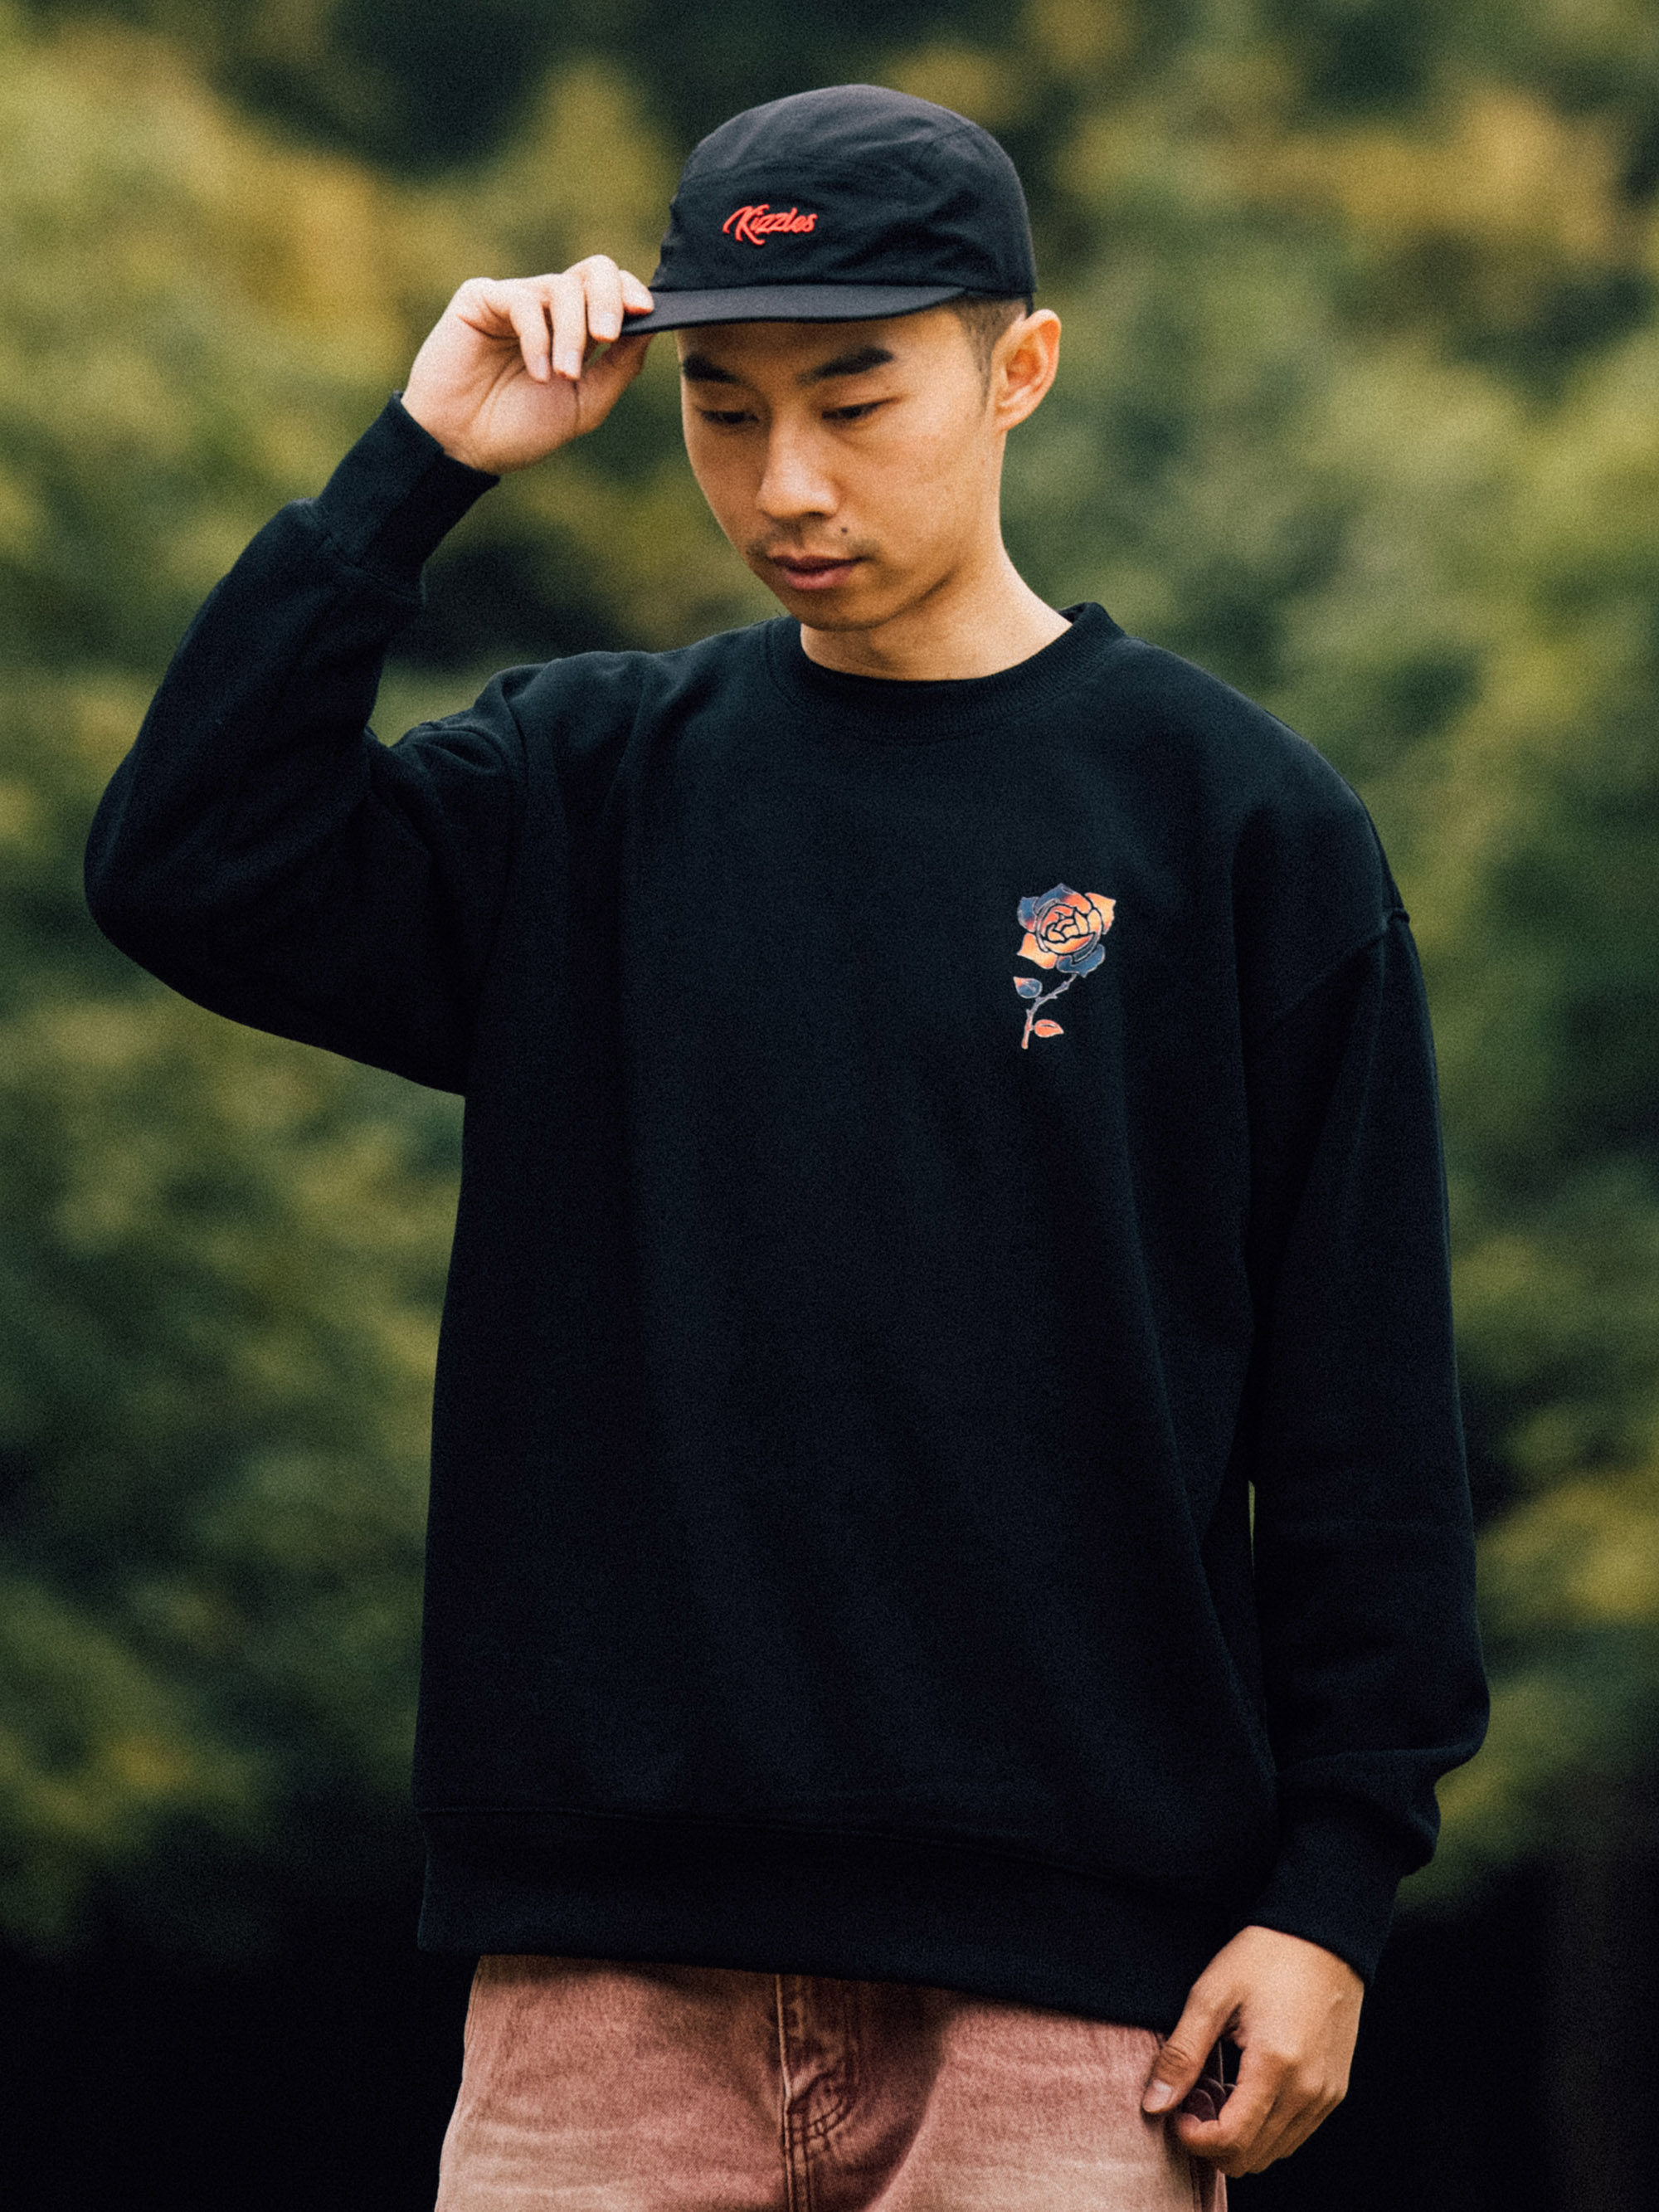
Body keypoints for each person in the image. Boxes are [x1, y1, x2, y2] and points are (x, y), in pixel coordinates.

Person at [84, 82, 1488, 2211]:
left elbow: (1362, 1404)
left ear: (1018, 366)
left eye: (854, 396)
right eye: (721, 410)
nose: (787, 480)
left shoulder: (1236, 822)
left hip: (1072, 1998)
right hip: (600, 1984)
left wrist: (1332, 1893)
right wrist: (417, 462)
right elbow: (189, 866)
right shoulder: (584, 783)